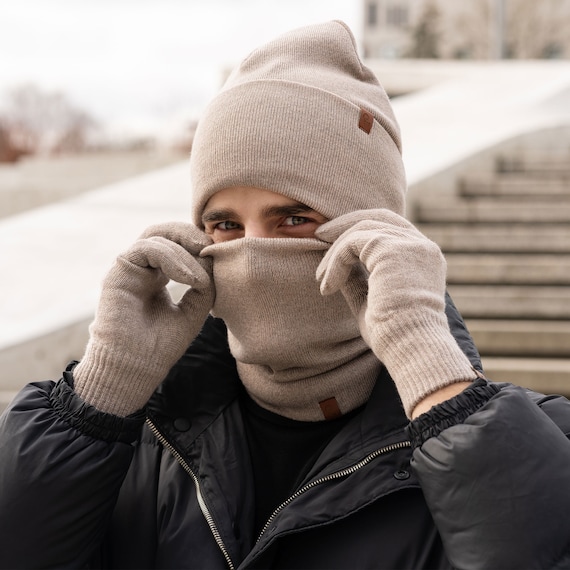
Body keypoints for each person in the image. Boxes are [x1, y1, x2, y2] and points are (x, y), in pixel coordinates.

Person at [1, 20, 569, 570]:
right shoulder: (135, 448)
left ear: (376, 231)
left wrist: (439, 385)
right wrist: (97, 403)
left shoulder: (537, 441)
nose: (253, 255)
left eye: (294, 217)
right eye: (224, 224)